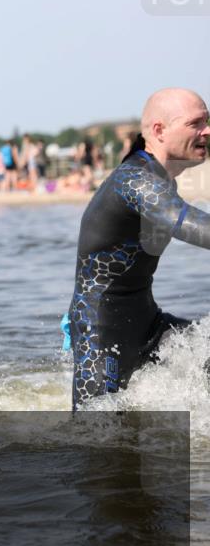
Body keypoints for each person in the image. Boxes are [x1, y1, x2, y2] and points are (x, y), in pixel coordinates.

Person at [68, 88, 210, 410]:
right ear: (159, 131)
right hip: (100, 336)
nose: (207, 130)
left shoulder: (159, 179)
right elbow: (189, 223)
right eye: (196, 123)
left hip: (148, 325)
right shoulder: (135, 180)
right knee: (100, 445)